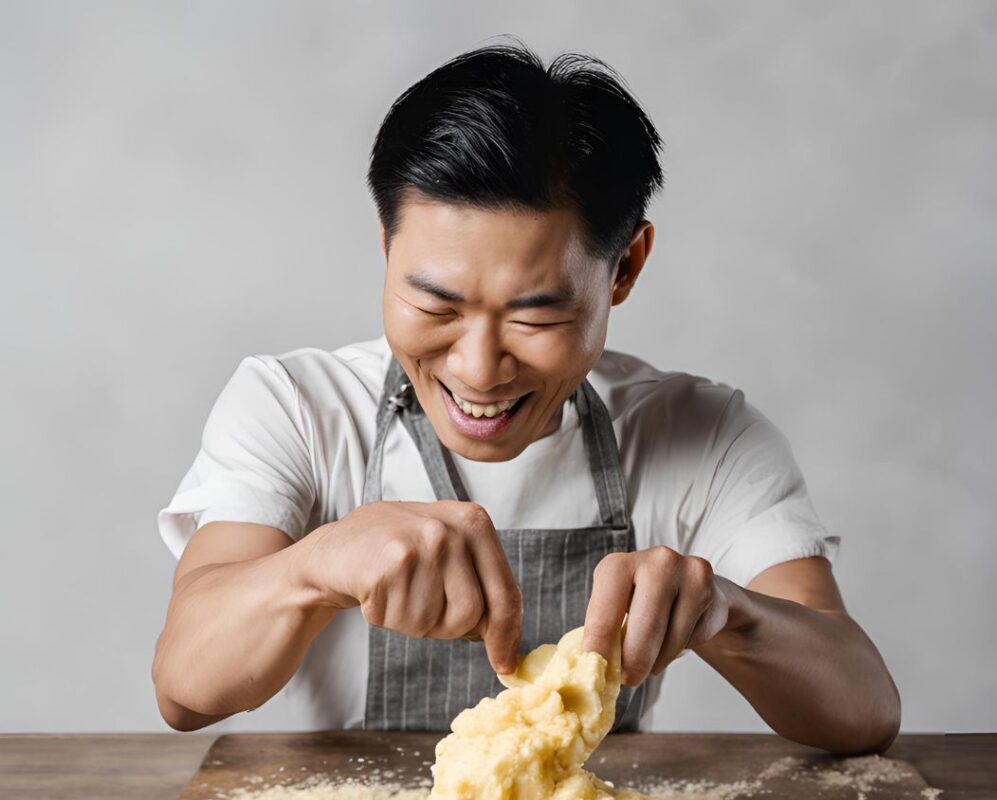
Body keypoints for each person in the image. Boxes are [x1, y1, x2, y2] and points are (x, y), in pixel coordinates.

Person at [154, 41, 900, 751]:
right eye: (436, 305)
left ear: (625, 269)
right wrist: (312, 568)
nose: (479, 370)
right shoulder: (294, 409)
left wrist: (726, 613)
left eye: (535, 314)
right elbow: (185, 691)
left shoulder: (705, 437)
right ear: (387, 250)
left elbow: (863, 709)